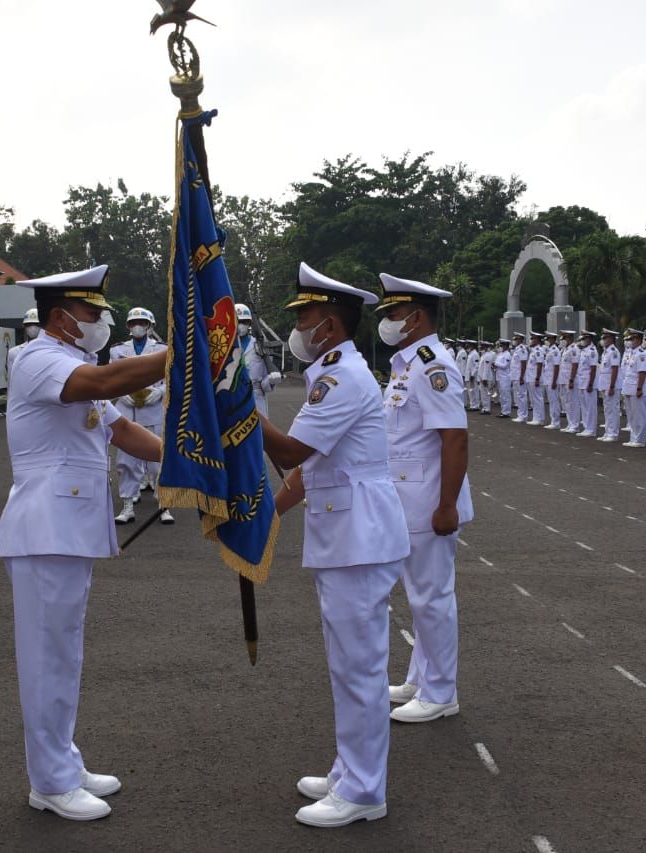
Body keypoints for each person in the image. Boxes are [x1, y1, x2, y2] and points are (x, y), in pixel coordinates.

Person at [0, 265, 166, 822]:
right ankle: (49, 782)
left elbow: (122, 430)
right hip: (45, 528)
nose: (101, 321)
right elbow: (101, 386)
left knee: (63, 653)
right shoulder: (38, 358)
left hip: (67, 529)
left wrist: (185, 461)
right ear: (60, 316)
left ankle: (63, 763)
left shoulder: (72, 361)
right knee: (47, 659)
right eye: (92, 312)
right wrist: (179, 356)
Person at [258, 262, 409, 828]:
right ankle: (350, 771)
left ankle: (364, 791)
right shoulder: (332, 372)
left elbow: (291, 453)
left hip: (359, 538)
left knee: (359, 668)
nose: (298, 327)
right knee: (347, 664)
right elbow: (308, 469)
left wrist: (239, 411)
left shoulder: (342, 378)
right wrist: (266, 516)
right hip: (347, 535)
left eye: (307, 317)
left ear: (331, 324)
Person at [374, 273, 471, 727]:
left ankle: (441, 692)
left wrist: (447, 504)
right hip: (408, 495)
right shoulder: (406, 364)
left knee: (432, 597)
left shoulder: (434, 366)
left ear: (416, 317)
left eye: (393, 313)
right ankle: (420, 679)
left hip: (430, 499)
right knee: (419, 597)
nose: (387, 321)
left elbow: (454, 439)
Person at [110, 307, 172, 525]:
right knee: (126, 461)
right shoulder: (118, 350)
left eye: (142, 323)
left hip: (153, 410)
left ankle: (163, 504)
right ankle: (127, 506)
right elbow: (112, 377)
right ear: (128, 326)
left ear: (150, 326)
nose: (138, 326)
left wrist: (160, 392)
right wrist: (121, 393)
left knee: (158, 460)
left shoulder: (163, 349)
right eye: (134, 322)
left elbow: (172, 379)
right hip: (127, 411)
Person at [237, 303, 282, 418]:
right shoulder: (224, 347)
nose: (241, 325)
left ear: (250, 323)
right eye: (238, 321)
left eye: (244, 322)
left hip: (256, 399)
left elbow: (264, 386)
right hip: (233, 397)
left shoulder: (259, 346)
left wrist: (271, 380)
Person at [620, 329, 646, 448]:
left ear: (639, 340)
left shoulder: (641, 354)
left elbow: (642, 372)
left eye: (632, 339)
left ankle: (639, 439)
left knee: (639, 415)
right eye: (630, 339)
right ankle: (633, 437)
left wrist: (639, 388)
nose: (630, 341)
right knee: (631, 415)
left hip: (636, 387)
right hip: (628, 386)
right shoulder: (632, 353)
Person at [597, 330, 622, 442]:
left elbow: (615, 370)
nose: (603, 340)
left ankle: (613, 433)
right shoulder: (605, 352)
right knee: (607, 409)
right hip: (605, 384)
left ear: (611, 339)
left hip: (611, 385)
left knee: (613, 409)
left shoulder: (613, 352)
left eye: (605, 338)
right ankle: (608, 431)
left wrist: (612, 386)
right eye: (603, 338)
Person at [7, 308, 42, 382]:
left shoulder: (51, 350)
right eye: (29, 325)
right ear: (24, 326)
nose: (33, 328)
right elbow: (11, 379)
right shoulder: (14, 352)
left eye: (36, 324)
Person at [576, 329, 599, 437]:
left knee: (590, 407)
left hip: (588, 382)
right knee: (584, 406)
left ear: (589, 338)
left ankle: (591, 429)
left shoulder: (592, 351)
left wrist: (590, 384)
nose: (582, 340)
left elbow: (593, 369)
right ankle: (586, 427)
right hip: (582, 381)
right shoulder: (584, 350)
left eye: (584, 338)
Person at [558, 330, 580, 433]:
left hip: (570, 380)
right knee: (566, 402)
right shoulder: (565, 349)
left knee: (573, 402)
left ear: (570, 338)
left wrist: (571, 380)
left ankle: (575, 425)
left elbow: (575, 365)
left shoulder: (574, 349)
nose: (562, 340)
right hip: (564, 379)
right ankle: (570, 423)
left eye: (564, 338)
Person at [527, 332, 547, 426]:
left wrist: (537, 378)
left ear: (538, 340)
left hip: (536, 377)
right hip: (531, 377)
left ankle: (540, 418)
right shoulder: (534, 350)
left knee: (538, 398)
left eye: (533, 339)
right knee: (534, 399)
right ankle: (536, 417)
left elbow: (539, 365)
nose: (531, 340)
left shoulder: (539, 350)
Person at [544, 332, 562, 429]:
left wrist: (554, 381)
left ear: (553, 339)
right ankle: (553, 421)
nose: (547, 341)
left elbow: (556, 366)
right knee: (551, 400)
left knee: (554, 400)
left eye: (548, 339)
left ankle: (556, 422)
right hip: (548, 378)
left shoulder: (555, 350)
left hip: (552, 379)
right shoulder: (549, 350)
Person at [511, 332, 530, 422]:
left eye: (516, 339)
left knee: (522, 395)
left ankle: (523, 415)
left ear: (521, 339)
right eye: (514, 339)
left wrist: (522, 376)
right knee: (518, 396)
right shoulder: (517, 349)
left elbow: (523, 363)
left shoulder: (522, 349)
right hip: (515, 375)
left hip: (520, 375)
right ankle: (520, 414)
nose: (515, 341)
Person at [493, 339, 513, 417]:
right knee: (501, 395)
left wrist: (496, 363)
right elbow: (497, 364)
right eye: (501, 345)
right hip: (499, 376)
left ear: (506, 346)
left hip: (505, 377)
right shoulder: (500, 354)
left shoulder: (507, 354)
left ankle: (506, 412)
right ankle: (503, 411)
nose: (501, 347)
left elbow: (505, 366)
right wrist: (494, 365)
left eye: (503, 345)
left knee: (506, 395)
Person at [477, 341, 495, 414]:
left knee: (486, 394)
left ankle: (487, 409)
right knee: (483, 394)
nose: (481, 347)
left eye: (483, 346)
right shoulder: (484, 355)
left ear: (486, 347)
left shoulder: (487, 356)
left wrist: (484, 379)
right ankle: (485, 408)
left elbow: (486, 368)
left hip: (486, 378)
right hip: (482, 378)